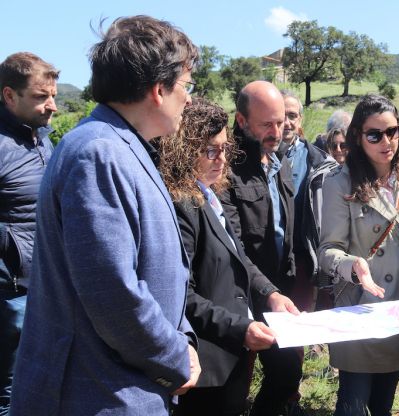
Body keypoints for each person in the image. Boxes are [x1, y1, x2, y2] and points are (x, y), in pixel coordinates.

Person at [12, 15, 201, 415]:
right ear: (158, 89)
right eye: (186, 86)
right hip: (97, 395)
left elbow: (161, 273)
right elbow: (113, 296)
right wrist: (175, 358)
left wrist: (182, 340)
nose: (189, 98)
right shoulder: (97, 153)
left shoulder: (124, 146)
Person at [159, 99, 299, 415]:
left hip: (229, 357)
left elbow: (240, 259)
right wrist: (241, 329)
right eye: (210, 150)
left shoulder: (211, 196)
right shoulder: (182, 207)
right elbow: (183, 296)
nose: (221, 159)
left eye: (224, 148)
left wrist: (271, 294)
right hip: (205, 366)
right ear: (182, 150)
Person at [317, 94, 399, 416]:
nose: (387, 141)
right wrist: (351, 265)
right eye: (375, 135)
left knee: (382, 404)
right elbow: (327, 251)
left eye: (393, 131)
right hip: (361, 309)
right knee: (352, 407)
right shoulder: (339, 183)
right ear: (357, 136)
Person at [221, 80, 304, 415]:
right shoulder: (226, 170)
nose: (277, 131)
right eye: (266, 124)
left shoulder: (279, 160)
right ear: (241, 122)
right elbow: (233, 247)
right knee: (234, 388)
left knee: (287, 375)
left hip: (280, 290)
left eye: (282, 121)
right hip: (242, 294)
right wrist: (266, 291)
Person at [0, 52, 58, 415]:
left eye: (52, 95)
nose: (51, 105)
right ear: (9, 95)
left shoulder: (41, 139)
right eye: (40, 97)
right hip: (11, 294)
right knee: (10, 393)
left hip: (45, 286)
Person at [278, 90, 338, 312]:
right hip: (265, 260)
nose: (286, 122)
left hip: (302, 259)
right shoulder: (256, 158)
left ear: (300, 119)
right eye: (281, 114)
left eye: (292, 115)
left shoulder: (319, 161)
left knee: (299, 325)